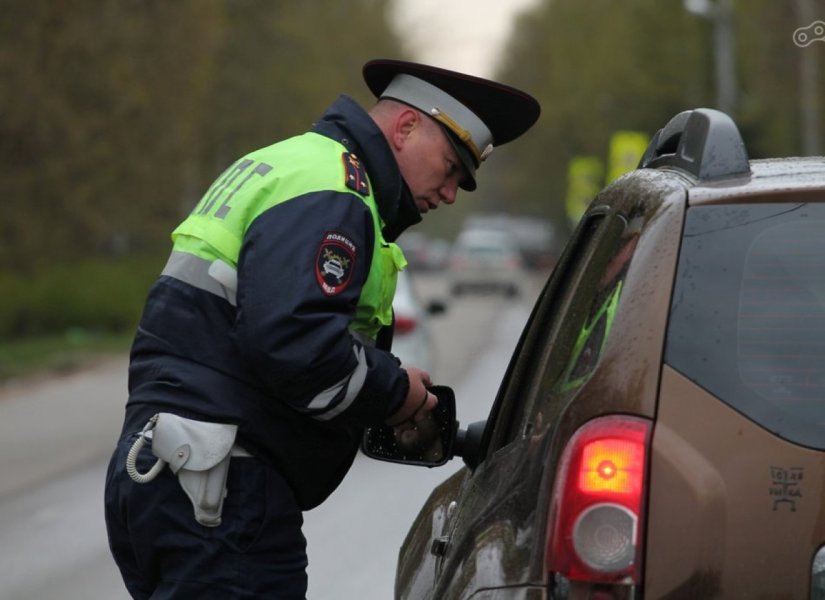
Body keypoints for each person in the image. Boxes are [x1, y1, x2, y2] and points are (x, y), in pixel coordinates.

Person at [104, 58, 540, 599]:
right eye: (451, 167)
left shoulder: (284, 163)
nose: (449, 193)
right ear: (405, 129)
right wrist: (396, 393)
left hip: (165, 473)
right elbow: (295, 345)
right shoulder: (336, 189)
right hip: (222, 492)